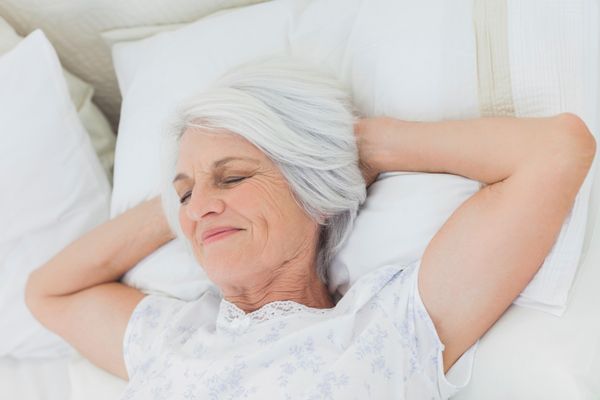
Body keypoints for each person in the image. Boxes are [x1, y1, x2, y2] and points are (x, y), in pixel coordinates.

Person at [25, 57, 596, 399]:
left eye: (234, 179)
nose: (199, 208)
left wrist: (353, 147)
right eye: (186, 194)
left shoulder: (390, 325)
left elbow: (557, 150)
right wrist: (180, 201)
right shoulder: (171, 339)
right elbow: (48, 291)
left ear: (312, 193)